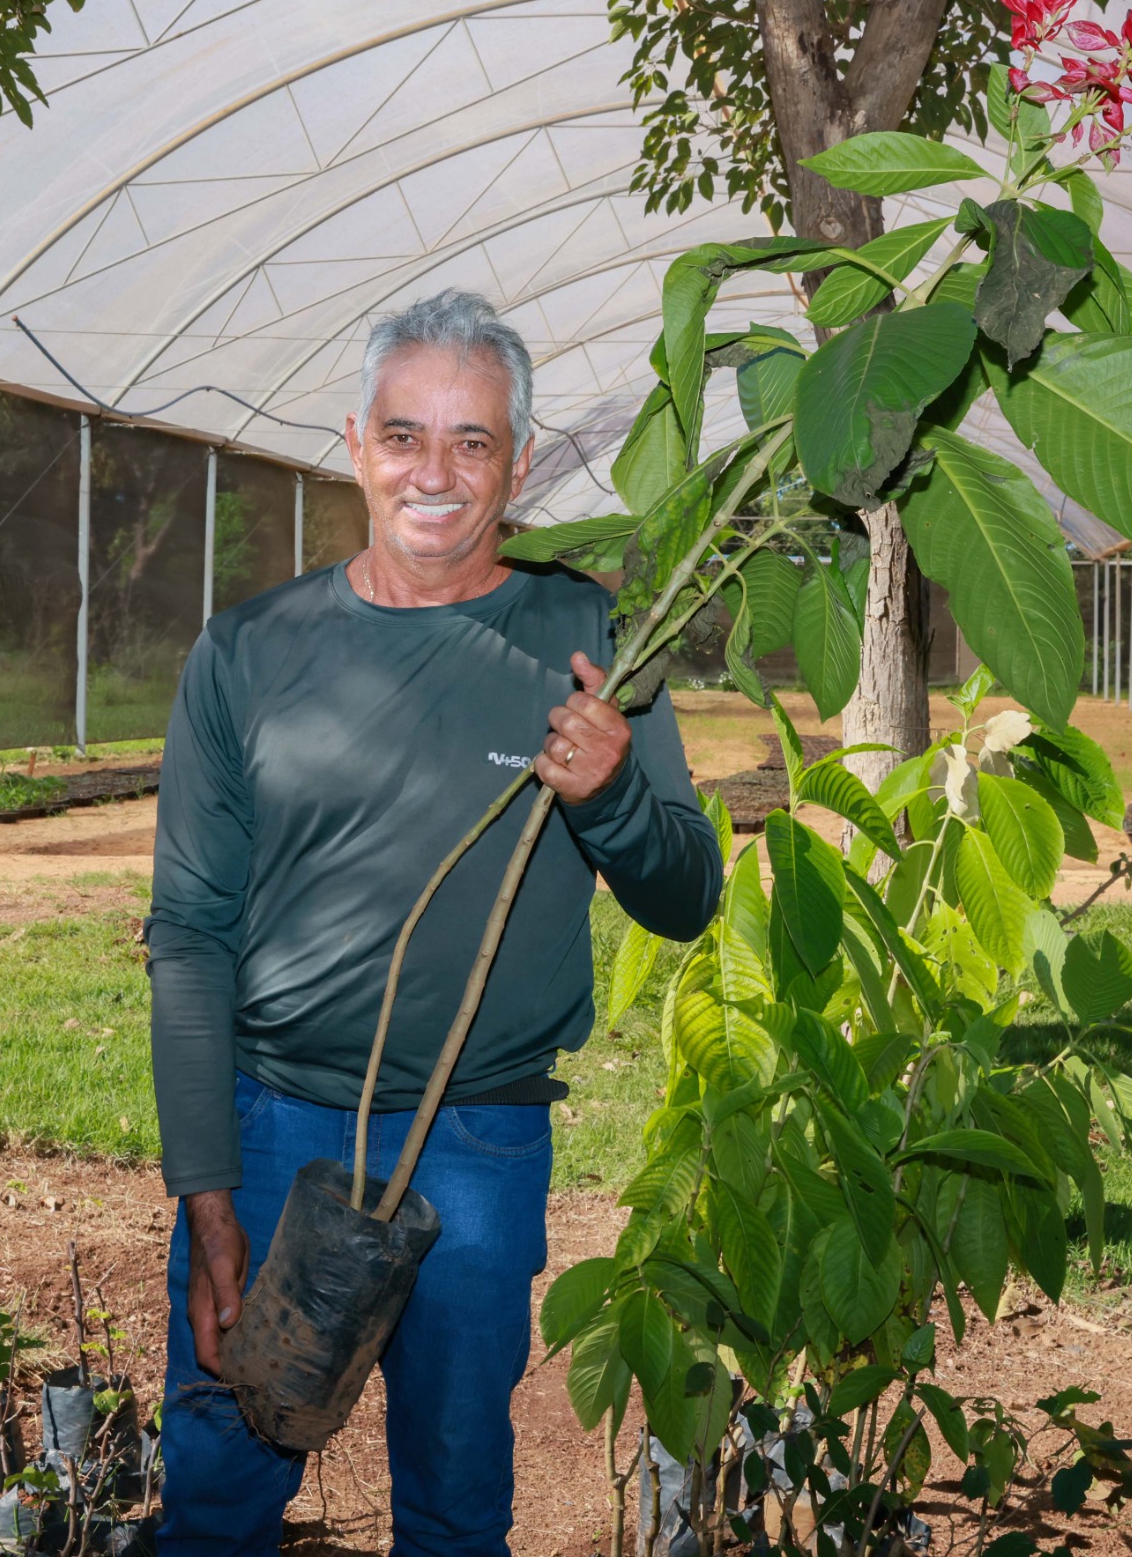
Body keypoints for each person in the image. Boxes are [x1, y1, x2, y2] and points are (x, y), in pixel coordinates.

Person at [145, 290, 725, 1555]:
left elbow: (687, 894)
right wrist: (205, 1190)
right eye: (405, 435)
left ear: (521, 463)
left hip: (478, 1140)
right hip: (273, 1120)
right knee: (219, 1483)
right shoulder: (248, 651)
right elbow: (188, 929)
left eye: (473, 441)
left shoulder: (585, 637)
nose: (436, 472)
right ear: (354, 442)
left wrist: (613, 794)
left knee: (456, 1501)